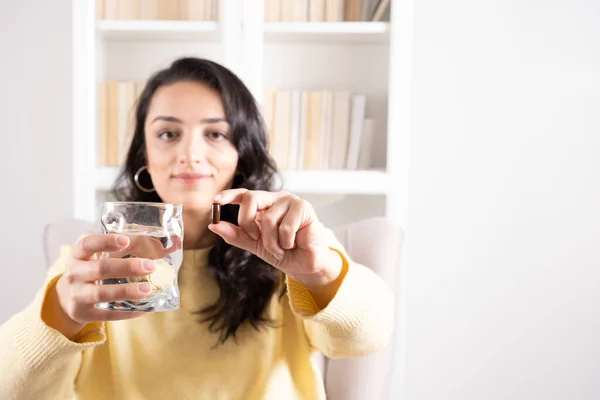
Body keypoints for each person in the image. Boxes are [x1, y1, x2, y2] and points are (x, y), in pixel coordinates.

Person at [0, 57, 395, 399]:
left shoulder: (288, 244)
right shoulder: (94, 264)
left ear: (241, 154)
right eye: (168, 134)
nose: (190, 154)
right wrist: (63, 315)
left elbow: (366, 338)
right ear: (145, 155)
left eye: (216, 133)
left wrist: (320, 271)